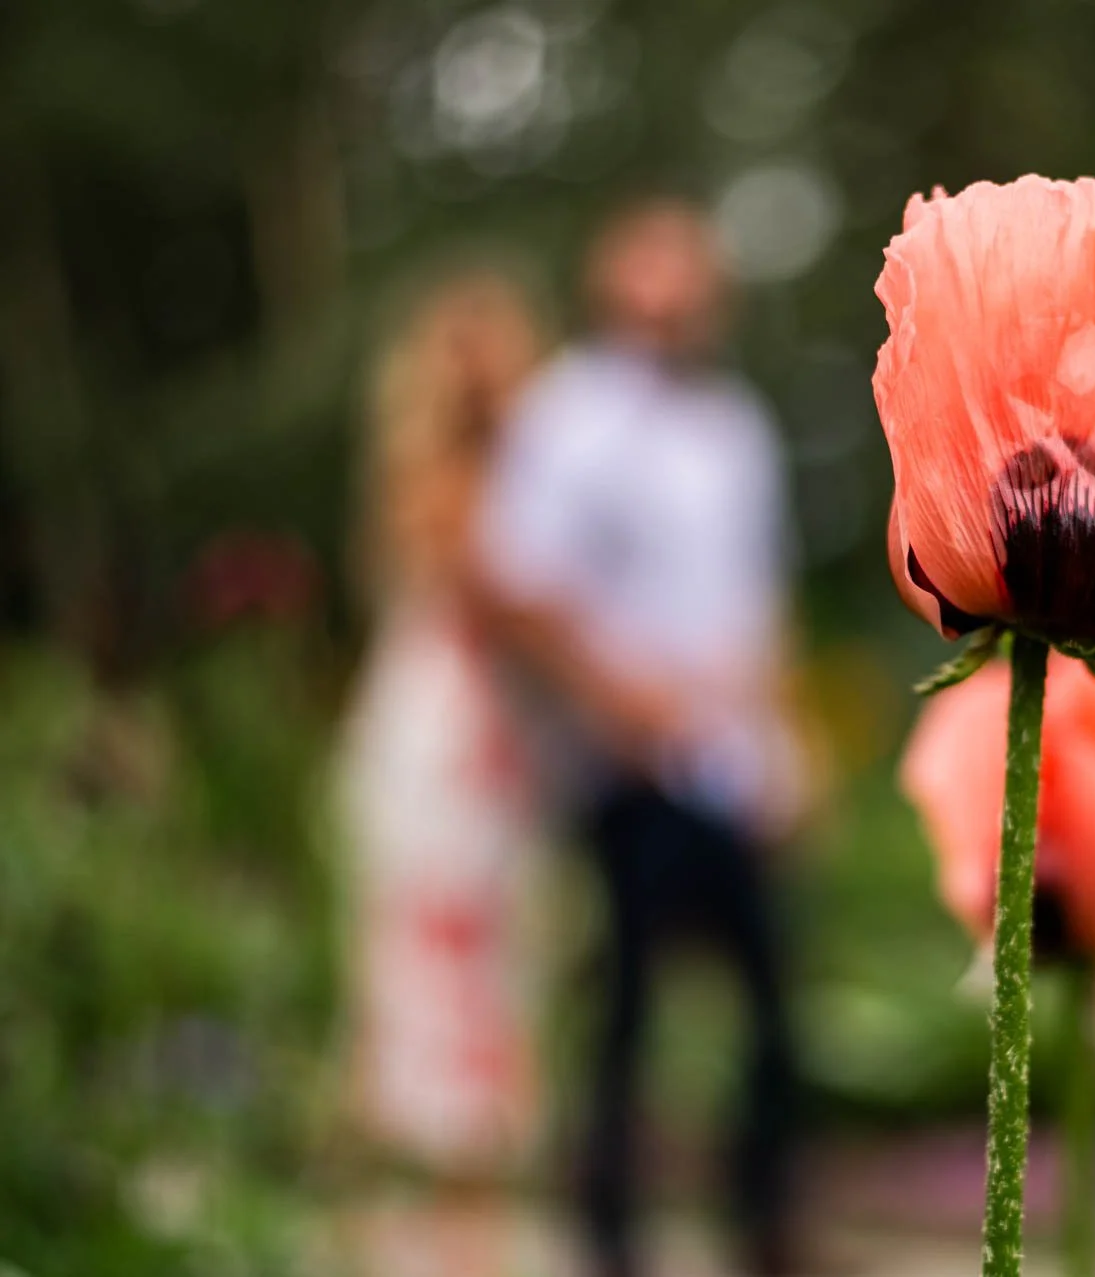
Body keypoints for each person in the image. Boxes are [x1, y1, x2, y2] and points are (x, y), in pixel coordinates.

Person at [473, 199, 804, 1277]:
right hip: (623, 766)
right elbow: (520, 585)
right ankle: (608, 1234)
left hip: (732, 763)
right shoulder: (568, 414)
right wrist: (624, 703)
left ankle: (766, 1222)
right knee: (627, 1002)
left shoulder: (738, 427)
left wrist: (781, 733)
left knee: (770, 997)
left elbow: (762, 599)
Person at [335, 268, 549, 1276]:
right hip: (440, 729)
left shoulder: (534, 468)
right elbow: (483, 590)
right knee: (433, 957)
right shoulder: (431, 484)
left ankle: (469, 1210)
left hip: (493, 731)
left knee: (494, 956)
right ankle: (440, 1209)